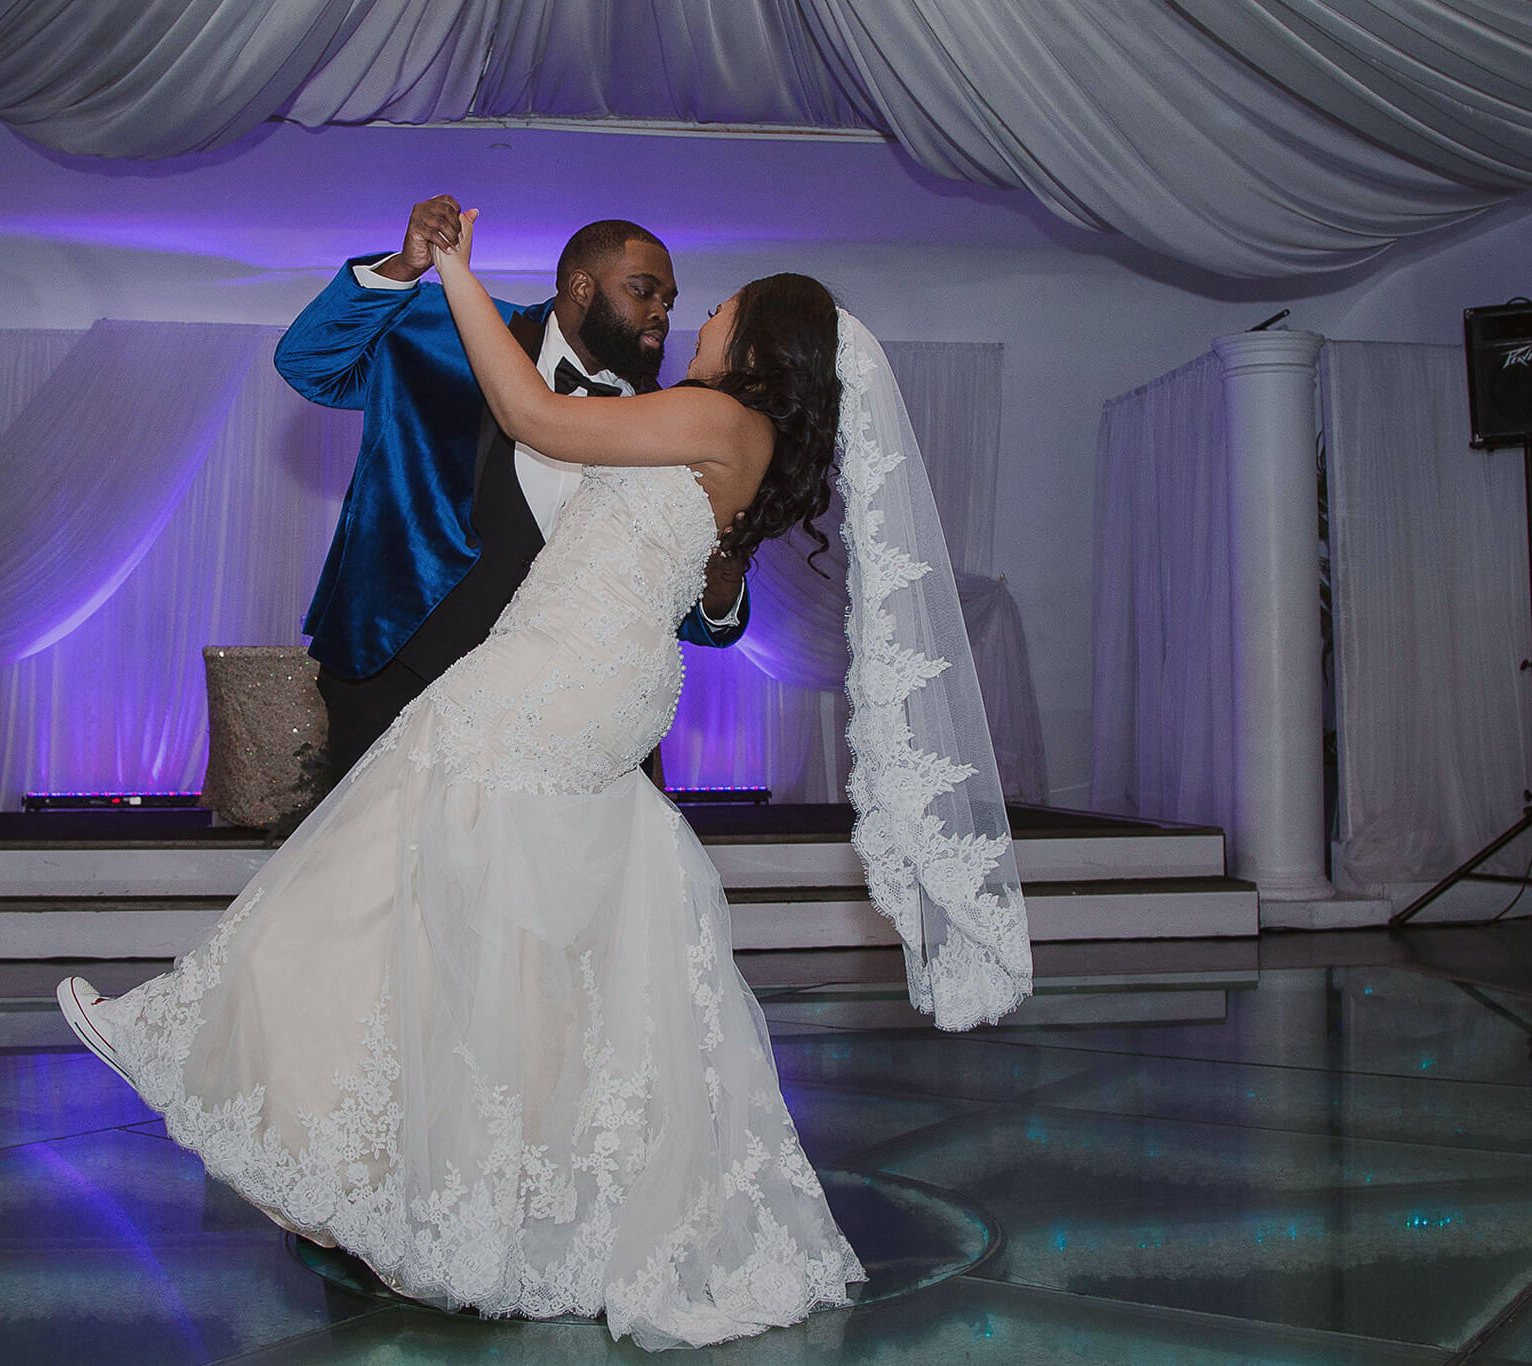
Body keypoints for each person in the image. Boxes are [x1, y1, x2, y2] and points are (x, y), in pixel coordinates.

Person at [59, 208, 1033, 1350]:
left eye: (705, 307)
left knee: (375, 872)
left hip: (551, 681)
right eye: (655, 292)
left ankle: (227, 1056)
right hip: (570, 687)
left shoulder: (704, 414)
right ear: (578, 284)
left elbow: (530, 416)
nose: (681, 314)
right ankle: (463, 1186)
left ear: (759, 349)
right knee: (502, 935)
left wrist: (461, 267)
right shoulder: (719, 435)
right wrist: (419, 275)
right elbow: (325, 369)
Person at [274, 197, 751, 779]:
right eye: (643, 290)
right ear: (581, 287)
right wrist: (403, 266)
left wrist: (721, 598)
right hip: (400, 665)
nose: (660, 312)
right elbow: (308, 364)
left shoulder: (669, 421)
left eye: (669, 302)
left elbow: (658, 599)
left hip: (570, 711)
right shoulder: (445, 328)